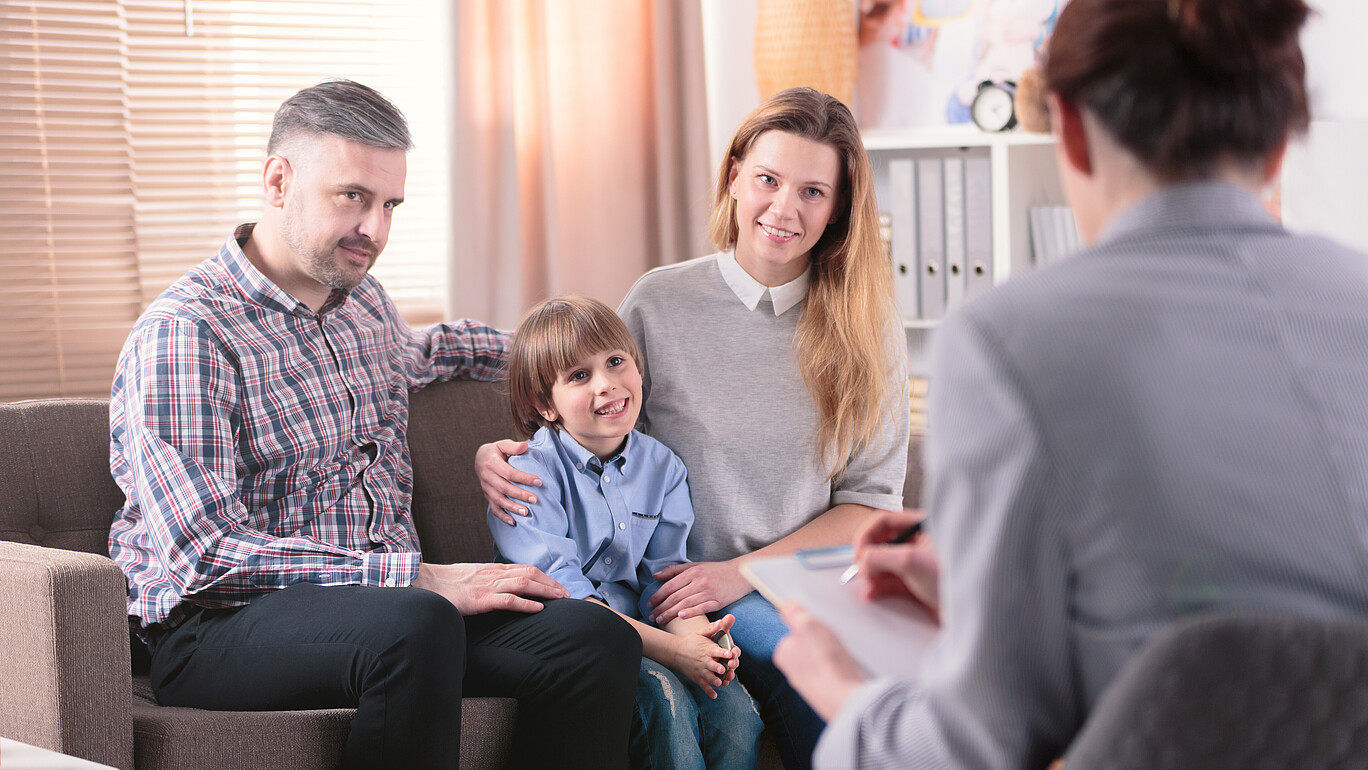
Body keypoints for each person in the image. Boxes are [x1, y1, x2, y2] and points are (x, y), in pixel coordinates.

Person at [773, 0, 1368, 767]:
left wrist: (842, 693)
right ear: (1282, 140)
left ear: (1072, 130)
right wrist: (984, 597)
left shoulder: (1008, 341)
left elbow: (977, 746)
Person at [107, 79, 640, 769]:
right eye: (353, 197)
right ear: (278, 180)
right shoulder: (186, 335)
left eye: (389, 204)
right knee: (414, 622)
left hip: (396, 612)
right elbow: (203, 556)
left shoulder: (360, 303)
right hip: (221, 627)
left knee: (593, 637)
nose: (376, 230)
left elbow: (427, 353)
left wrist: (588, 360)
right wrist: (411, 577)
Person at [479, 87, 911, 770]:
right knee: (816, 679)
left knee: (865, 673)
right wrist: (494, 452)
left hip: (797, 584)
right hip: (671, 592)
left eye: (813, 192)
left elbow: (870, 504)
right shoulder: (659, 300)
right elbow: (591, 420)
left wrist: (738, 574)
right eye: (768, 179)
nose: (783, 209)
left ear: (840, 209)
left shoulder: (868, 329)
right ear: (735, 173)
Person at [488, 295, 765, 770]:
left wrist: (704, 643)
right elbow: (571, 604)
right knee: (663, 701)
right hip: (570, 637)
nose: (608, 384)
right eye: (579, 376)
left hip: (645, 631)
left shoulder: (663, 468)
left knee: (735, 709)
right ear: (543, 404)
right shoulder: (526, 476)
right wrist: (677, 652)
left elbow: (666, 583)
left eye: (616, 362)